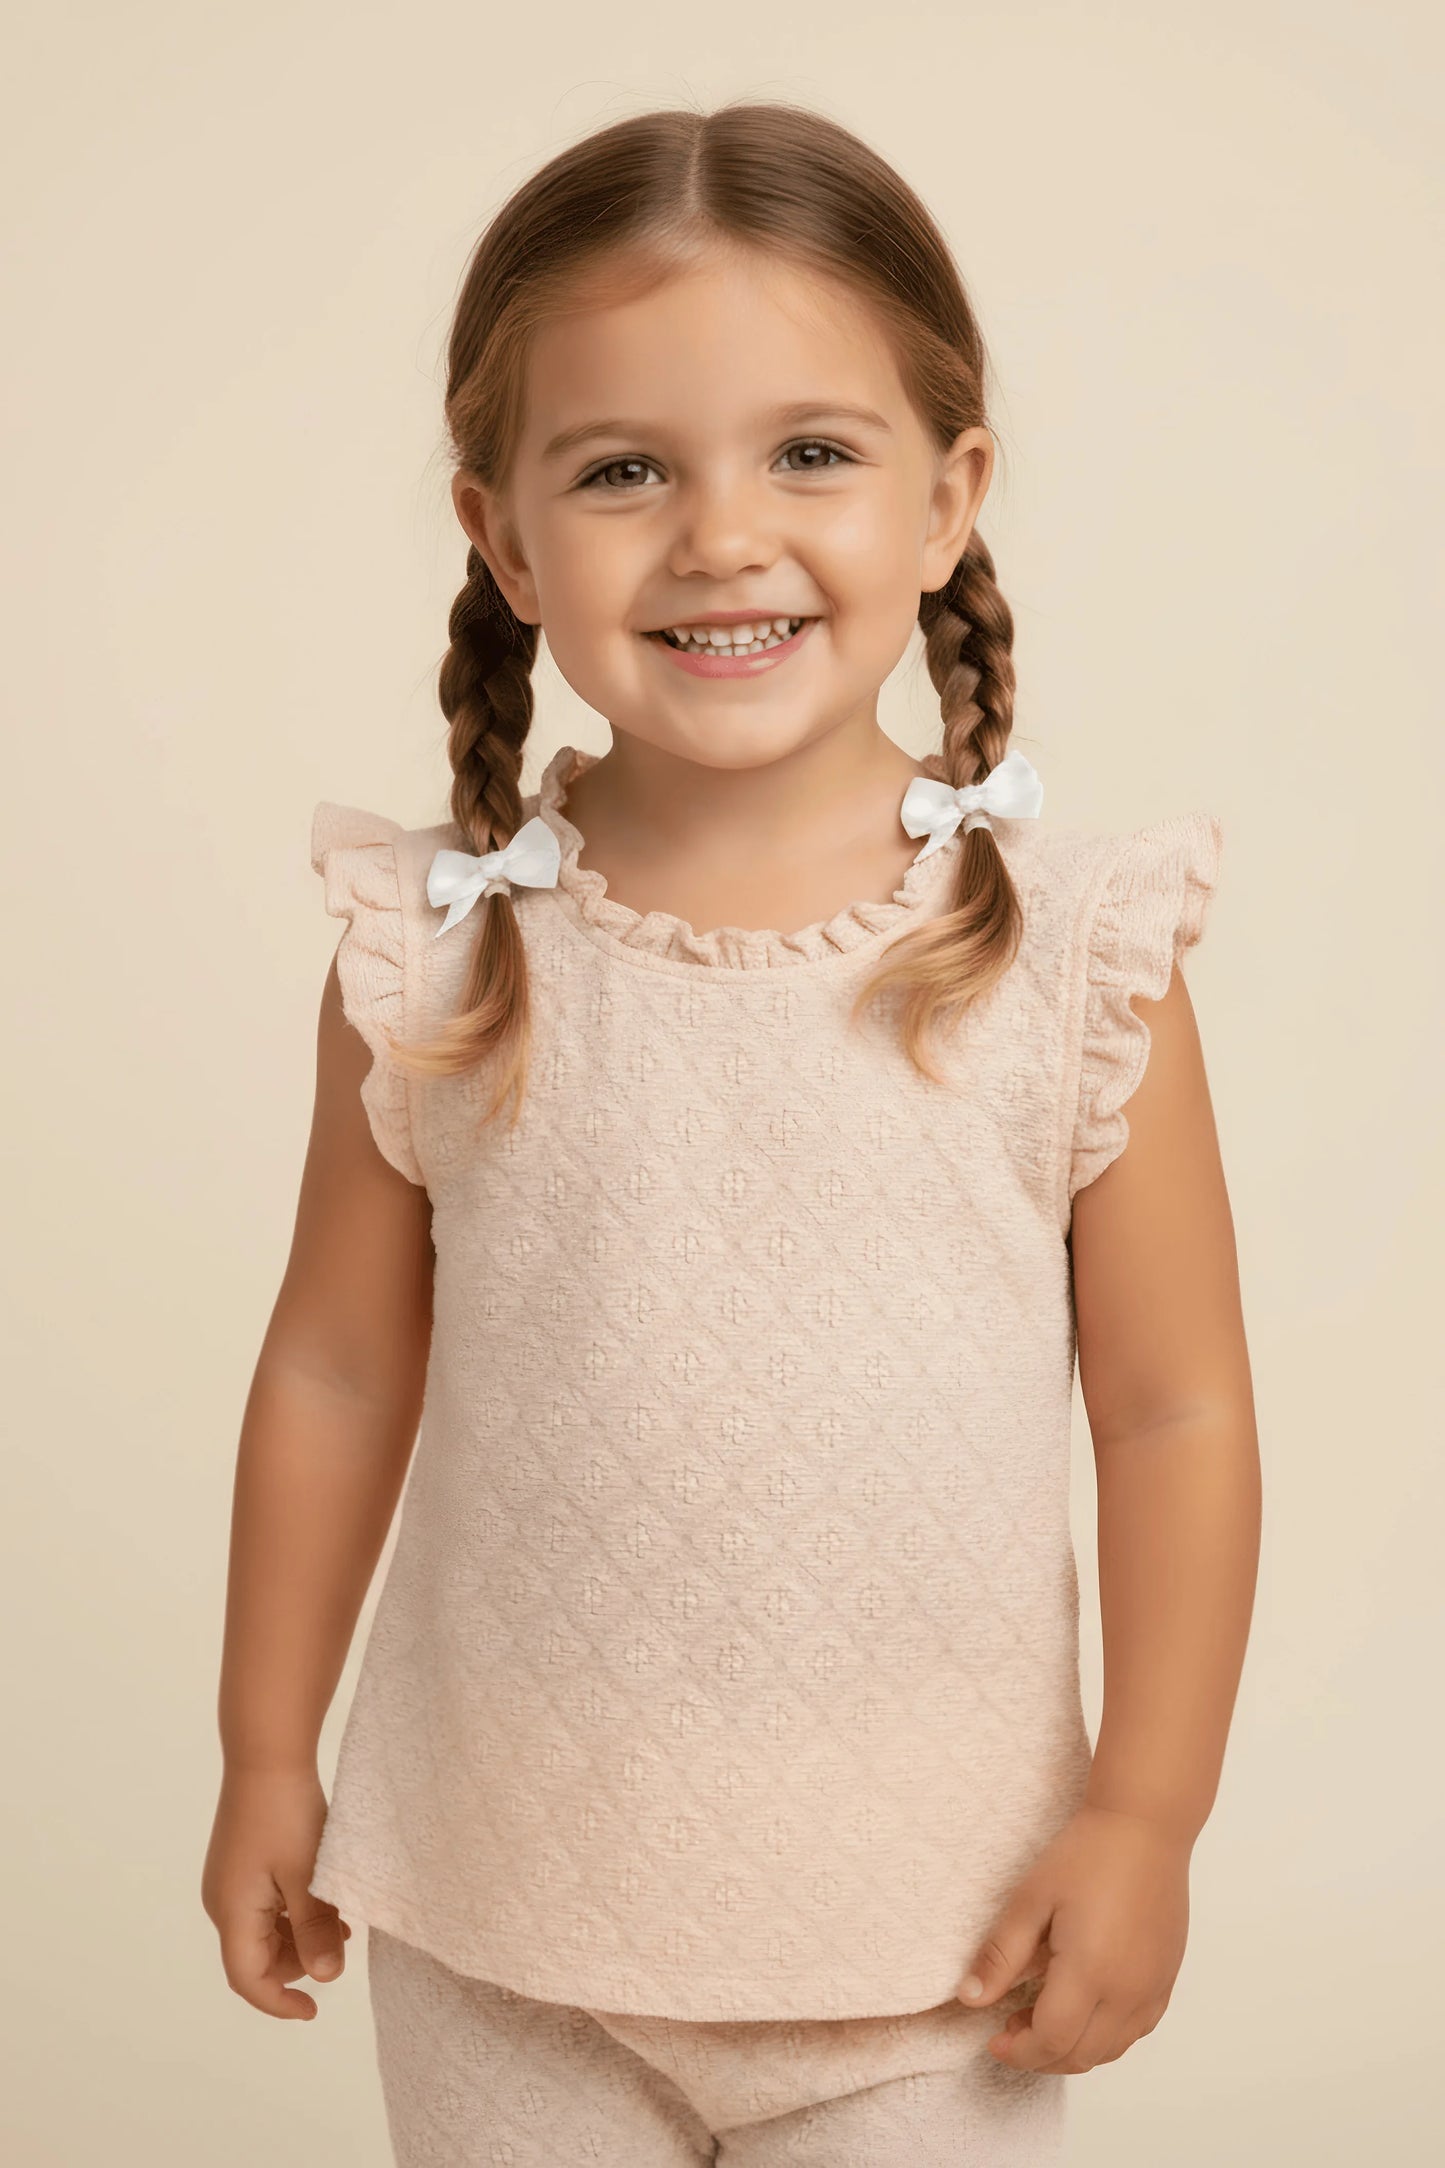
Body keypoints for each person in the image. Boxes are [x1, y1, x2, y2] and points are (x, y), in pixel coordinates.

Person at [202, 99, 1260, 2167]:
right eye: (621, 472)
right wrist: (260, 1748)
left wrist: (1149, 1808)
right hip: (504, 1923)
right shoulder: (437, 949)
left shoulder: (1069, 956)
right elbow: (331, 1366)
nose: (719, 534)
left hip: (941, 1949)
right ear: (503, 536)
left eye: (810, 451)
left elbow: (1174, 1410)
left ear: (949, 493)